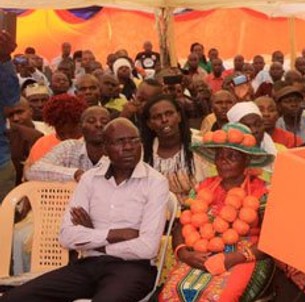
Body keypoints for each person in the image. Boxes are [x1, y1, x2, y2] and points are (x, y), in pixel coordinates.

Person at [0, 118, 170, 302]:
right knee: (14, 298)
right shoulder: (90, 179)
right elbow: (66, 236)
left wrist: (95, 240)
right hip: (88, 265)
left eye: (134, 140)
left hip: (133, 268)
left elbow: (147, 248)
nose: (128, 147)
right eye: (119, 142)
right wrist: (115, 234)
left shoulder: (156, 182)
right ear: (105, 148)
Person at [159, 123, 274, 301]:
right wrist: (185, 253)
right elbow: (180, 227)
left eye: (232, 156)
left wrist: (233, 258)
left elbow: (272, 242)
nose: (223, 161)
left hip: (246, 256)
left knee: (217, 297)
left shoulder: (262, 192)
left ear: (247, 160)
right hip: (199, 250)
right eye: (219, 156)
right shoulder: (202, 187)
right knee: (171, 294)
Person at [142, 94, 209, 202]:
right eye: (157, 117)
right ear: (150, 124)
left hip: (199, 213)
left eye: (169, 114)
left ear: (179, 116)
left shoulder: (200, 146)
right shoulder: (142, 154)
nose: (164, 120)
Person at [26, 106, 109, 182]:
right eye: (91, 121)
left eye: (104, 122)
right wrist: (75, 174)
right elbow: (33, 171)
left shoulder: (118, 151)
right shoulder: (69, 147)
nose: (99, 125)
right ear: (80, 127)